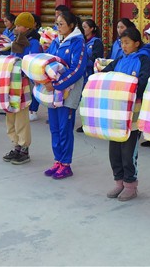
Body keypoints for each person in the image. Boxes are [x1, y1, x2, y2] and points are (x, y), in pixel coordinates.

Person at [100, 26, 150, 201]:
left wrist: (128, 91)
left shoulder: (143, 60)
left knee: (128, 150)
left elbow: (145, 82)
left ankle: (130, 184)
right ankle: (119, 181)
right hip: (116, 111)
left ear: (137, 43)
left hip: (133, 112)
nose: (124, 46)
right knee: (114, 149)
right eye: (122, 43)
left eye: (127, 43)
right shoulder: (119, 59)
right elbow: (106, 75)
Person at [43, 10, 87, 180]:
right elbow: (48, 61)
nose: (58, 27)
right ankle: (58, 161)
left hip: (68, 91)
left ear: (71, 25)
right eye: (57, 24)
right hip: (53, 92)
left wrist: (56, 84)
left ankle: (66, 164)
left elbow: (77, 69)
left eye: (61, 24)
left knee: (65, 128)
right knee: (54, 127)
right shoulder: (56, 40)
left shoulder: (78, 42)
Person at [3, 12, 41, 164]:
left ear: (27, 27)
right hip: (11, 81)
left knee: (21, 117)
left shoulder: (33, 43)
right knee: (10, 114)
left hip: (23, 83)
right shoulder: (16, 40)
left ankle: (24, 147)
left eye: (19, 25)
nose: (16, 27)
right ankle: (16, 145)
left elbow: (33, 64)